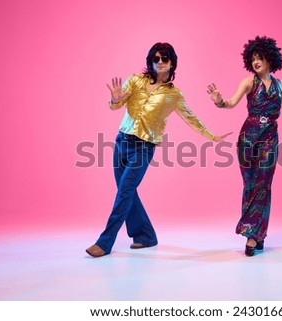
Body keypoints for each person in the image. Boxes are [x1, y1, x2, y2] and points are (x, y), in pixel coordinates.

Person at [86, 42, 231, 258]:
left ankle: (105, 242)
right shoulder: (136, 80)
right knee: (126, 192)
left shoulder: (174, 95)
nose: (160, 62)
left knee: (124, 192)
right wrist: (115, 100)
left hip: (143, 148)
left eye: (165, 58)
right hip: (121, 143)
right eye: (156, 59)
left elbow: (191, 119)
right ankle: (145, 236)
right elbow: (117, 104)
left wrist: (212, 136)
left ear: (172, 63)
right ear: (150, 62)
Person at [207, 36, 282, 256]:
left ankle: (252, 236)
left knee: (263, 185)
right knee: (250, 185)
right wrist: (219, 100)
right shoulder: (248, 82)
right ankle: (259, 235)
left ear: (270, 59)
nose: (256, 61)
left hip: (269, 137)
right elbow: (230, 103)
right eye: (253, 58)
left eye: (260, 57)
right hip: (248, 137)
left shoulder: (279, 84)